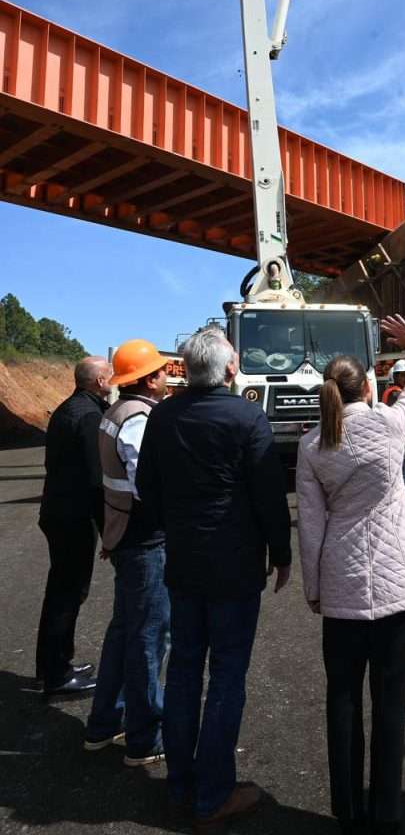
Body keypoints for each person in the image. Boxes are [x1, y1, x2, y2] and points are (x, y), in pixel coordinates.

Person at [296, 314, 405, 835]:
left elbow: (311, 526)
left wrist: (314, 589)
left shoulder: (312, 445)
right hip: (398, 582)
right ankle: (385, 811)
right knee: (391, 698)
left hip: (340, 582)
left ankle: (346, 809)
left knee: (341, 697)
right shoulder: (387, 423)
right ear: (367, 386)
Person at [135, 326, 291, 829]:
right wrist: (281, 552)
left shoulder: (162, 417)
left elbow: (147, 488)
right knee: (226, 675)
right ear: (228, 368)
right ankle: (213, 794)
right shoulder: (247, 416)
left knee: (182, 670)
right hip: (236, 566)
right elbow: (269, 494)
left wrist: (176, 526)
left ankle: (181, 786)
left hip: (183, 564)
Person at [84, 339, 170, 767]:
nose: (168, 376)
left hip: (123, 535)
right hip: (144, 540)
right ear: (149, 379)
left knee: (125, 631)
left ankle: (104, 723)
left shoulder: (114, 414)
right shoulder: (138, 420)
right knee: (150, 636)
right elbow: (146, 486)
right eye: (161, 371)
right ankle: (144, 737)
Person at [36, 355, 113, 696]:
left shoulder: (69, 408)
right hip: (73, 518)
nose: (114, 379)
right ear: (98, 381)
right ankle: (57, 675)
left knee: (61, 591)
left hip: (57, 512)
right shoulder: (90, 416)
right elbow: (96, 481)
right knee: (68, 595)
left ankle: (55, 664)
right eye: (110, 375)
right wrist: (109, 530)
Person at [382, 359, 405, 503]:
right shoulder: (397, 395)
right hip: (404, 445)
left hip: (397, 444)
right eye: (403, 375)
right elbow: (402, 422)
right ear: (395, 377)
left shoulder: (391, 393)